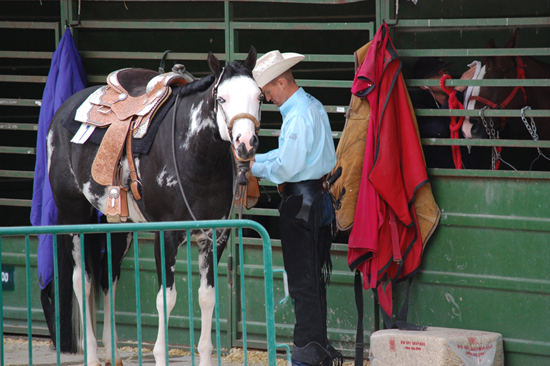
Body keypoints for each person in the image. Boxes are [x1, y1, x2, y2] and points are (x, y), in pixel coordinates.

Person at [250, 50, 341, 366]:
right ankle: (318, 349)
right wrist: (254, 159)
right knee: (312, 280)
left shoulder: (299, 114)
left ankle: (306, 355)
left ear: (281, 80)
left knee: (303, 283)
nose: (267, 97)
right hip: (315, 199)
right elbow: (289, 154)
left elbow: (287, 166)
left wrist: (253, 169)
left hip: (301, 204)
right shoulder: (310, 105)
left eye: (268, 91)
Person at [413, 56, 489, 169]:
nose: (445, 76)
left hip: (473, 177)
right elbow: (441, 128)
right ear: (423, 85)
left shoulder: (464, 102)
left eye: (445, 71)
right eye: (437, 74)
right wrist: (457, 91)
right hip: (443, 180)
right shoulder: (420, 109)